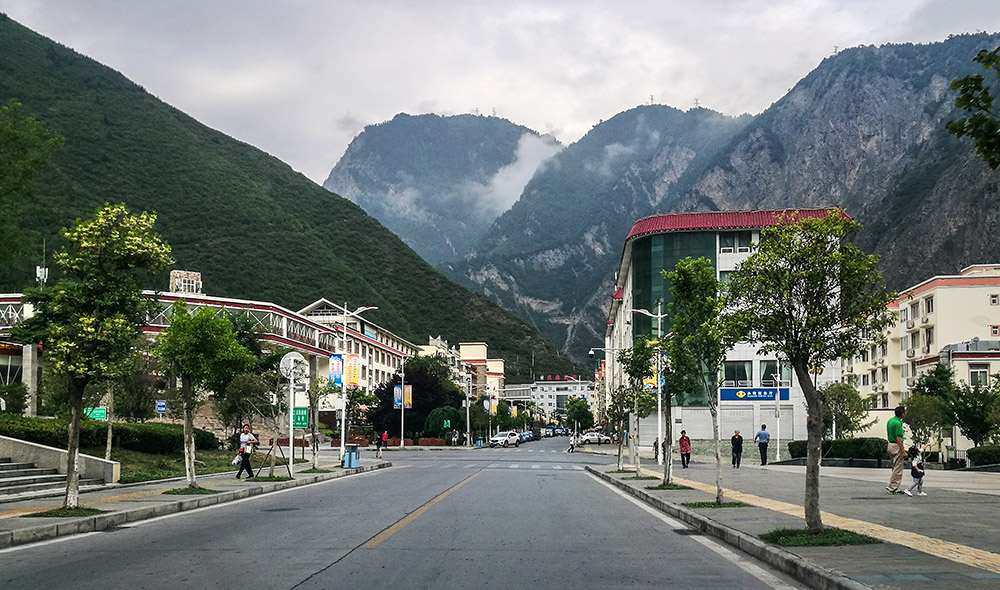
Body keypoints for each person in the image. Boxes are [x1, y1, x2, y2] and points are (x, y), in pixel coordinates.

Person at [886, 406, 907, 494]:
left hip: (890, 444)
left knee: (894, 466)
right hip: (896, 445)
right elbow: (898, 437)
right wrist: (903, 451)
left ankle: (892, 485)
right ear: (902, 414)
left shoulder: (890, 421)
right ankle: (893, 487)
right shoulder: (898, 423)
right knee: (898, 468)